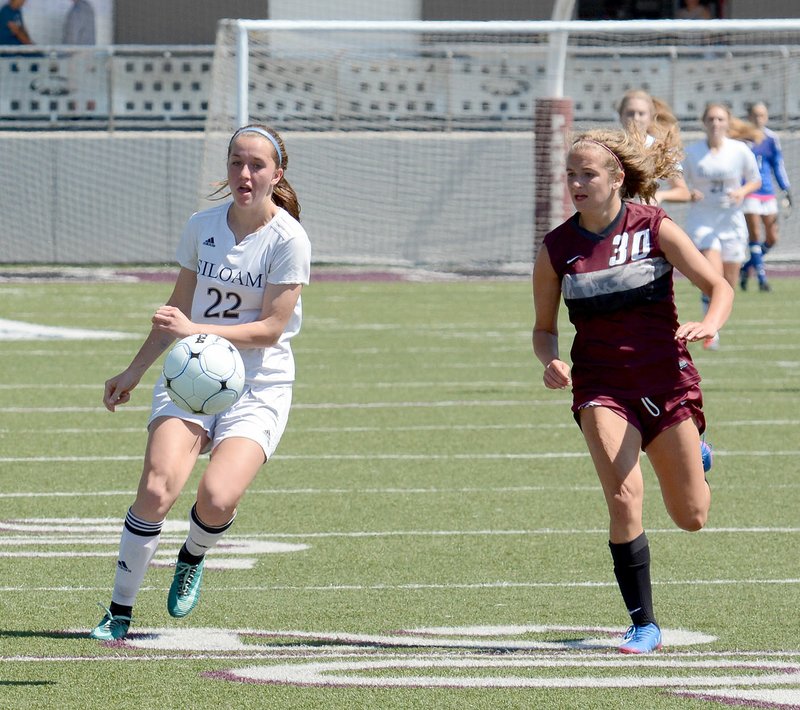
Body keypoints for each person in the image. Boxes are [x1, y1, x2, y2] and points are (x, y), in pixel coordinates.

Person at [89, 124, 311, 641]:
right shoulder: (202, 225)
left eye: (256, 165)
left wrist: (197, 329)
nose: (244, 174)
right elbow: (178, 309)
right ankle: (119, 610)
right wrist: (134, 369)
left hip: (258, 383)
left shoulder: (289, 240)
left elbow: (271, 329)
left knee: (216, 498)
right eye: (236, 162)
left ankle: (193, 554)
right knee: (156, 488)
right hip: (190, 373)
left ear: (277, 173)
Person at [532, 127, 733, 654]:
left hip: (666, 382)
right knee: (624, 499)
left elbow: (718, 287)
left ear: (617, 177)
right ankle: (644, 623)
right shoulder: (557, 248)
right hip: (602, 388)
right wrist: (550, 358)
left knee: (692, 517)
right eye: (570, 174)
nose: (576, 183)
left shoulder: (654, 227)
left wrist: (709, 322)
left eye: (588, 174)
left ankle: (696, 452)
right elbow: (543, 328)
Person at [681, 102, 760, 350]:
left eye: (720, 119)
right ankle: (710, 331)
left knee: (728, 283)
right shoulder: (692, 152)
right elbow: (680, 184)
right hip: (703, 220)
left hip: (731, 221)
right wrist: (689, 193)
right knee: (712, 275)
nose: (715, 124)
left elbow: (755, 180)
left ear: (728, 122)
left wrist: (741, 191)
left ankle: (714, 322)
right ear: (704, 122)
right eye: (711, 119)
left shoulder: (740, 150)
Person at [740, 101, 792, 292]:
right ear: (749, 117)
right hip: (749, 191)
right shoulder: (741, 138)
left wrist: (785, 189)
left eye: (762, 115)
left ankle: (746, 268)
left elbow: (778, 165)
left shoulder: (771, 138)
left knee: (772, 238)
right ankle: (762, 279)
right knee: (754, 235)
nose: (759, 118)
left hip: (767, 193)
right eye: (755, 115)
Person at [617, 89, 691, 205]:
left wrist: (659, 195)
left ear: (650, 117)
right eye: (630, 113)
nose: (635, 118)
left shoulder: (661, 148)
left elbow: (683, 192)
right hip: (616, 217)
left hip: (647, 217)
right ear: (621, 116)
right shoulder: (611, 147)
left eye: (641, 113)